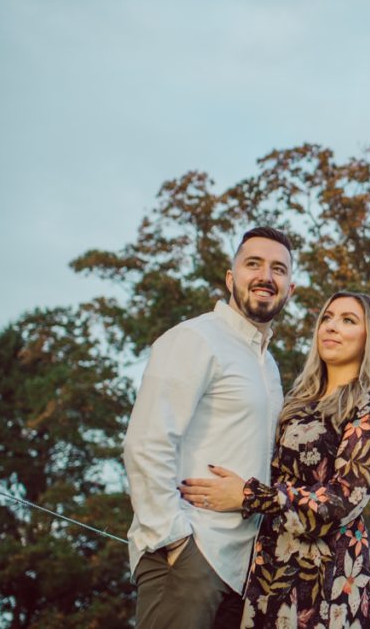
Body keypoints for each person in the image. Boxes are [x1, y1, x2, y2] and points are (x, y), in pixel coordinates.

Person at [179, 291, 370, 628]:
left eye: (348, 320)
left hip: (327, 583)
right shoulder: (294, 402)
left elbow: (342, 501)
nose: (332, 327)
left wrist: (249, 496)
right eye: (327, 318)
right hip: (268, 571)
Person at [123, 227, 296, 628]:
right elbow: (146, 443)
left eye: (278, 269)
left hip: (245, 573)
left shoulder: (268, 366)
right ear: (230, 278)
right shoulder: (195, 338)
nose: (266, 276)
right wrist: (173, 539)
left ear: (290, 289)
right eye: (253, 264)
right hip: (191, 558)